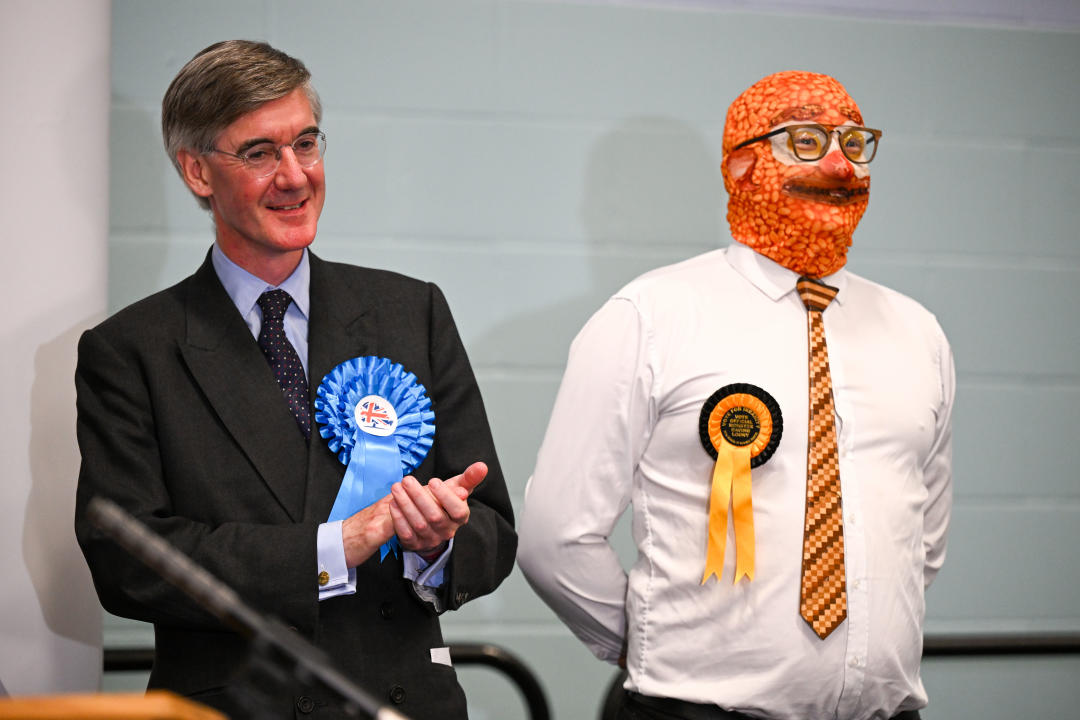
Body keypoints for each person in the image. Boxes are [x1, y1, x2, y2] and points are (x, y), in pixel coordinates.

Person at [74, 40, 516, 720]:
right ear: (197, 172)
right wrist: (334, 547)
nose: (295, 175)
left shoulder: (412, 312)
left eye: (306, 144)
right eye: (259, 153)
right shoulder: (133, 350)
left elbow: (493, 530)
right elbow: (128, 559)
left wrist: (438, 543)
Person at [518, 70, 954, 720]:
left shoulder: (918, 333)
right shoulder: (650, 316)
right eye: (806, 142)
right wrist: (657, 643)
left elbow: (921, 544)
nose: (841, 165)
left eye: (856, 143)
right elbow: (556, 538)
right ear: (742, 165)